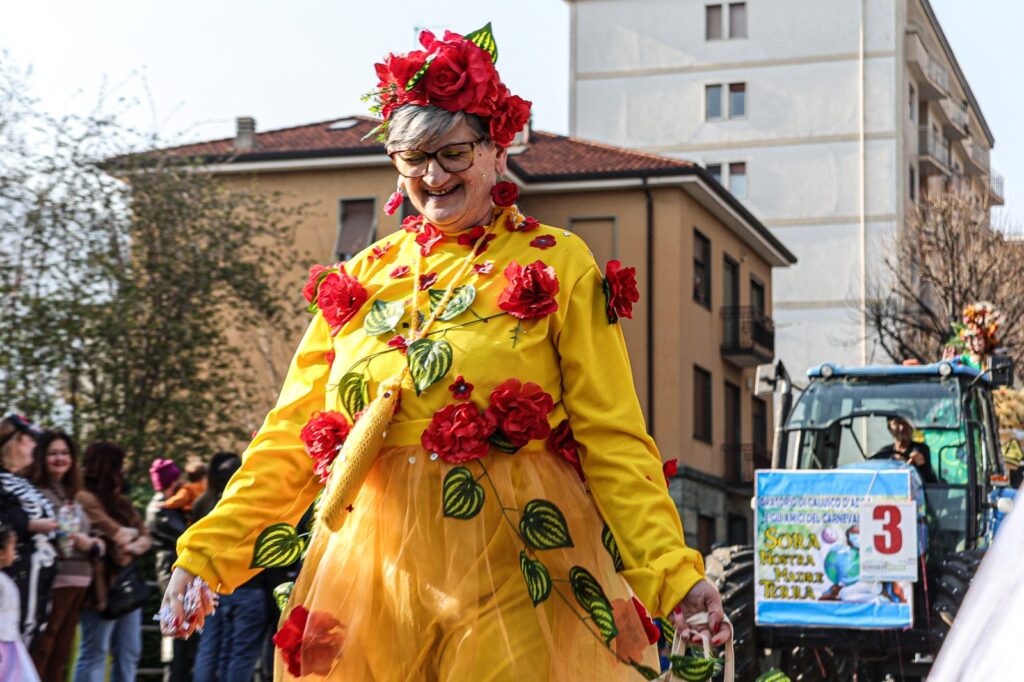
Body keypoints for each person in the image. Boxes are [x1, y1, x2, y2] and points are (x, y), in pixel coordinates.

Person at [162, 25, 729, 680]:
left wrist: (672, 576)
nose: (433, 175)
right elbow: (290, 438)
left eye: (453, 152)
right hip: (374, 577)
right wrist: (202, 557)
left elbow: (613, 438)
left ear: (496, 148)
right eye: (413, 158)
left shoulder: (560, 264)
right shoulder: (360, 279)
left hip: (519, 565)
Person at [28, 431, 105, 682]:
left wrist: (93, 543)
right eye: (53, 453)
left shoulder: (71, 493)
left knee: (63, 652)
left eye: (64, 452)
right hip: (53, 579)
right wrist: (84, 542)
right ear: (41, 457)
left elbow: (87, 534)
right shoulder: (34, 492)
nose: (60, 458)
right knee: (44, 647)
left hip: (80, 580)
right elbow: (59, 533)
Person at [192, 452, 275, 682]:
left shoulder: (203, 504)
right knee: (241, 655)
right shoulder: (248, 505)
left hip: (213, 588)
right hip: (250, 588)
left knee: (210, 650)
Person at [74, 441, 153, 682]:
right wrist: (128, 539)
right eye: (120, 466)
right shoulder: (83, 497)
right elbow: (115, 532)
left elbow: (145, 537)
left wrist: (129, 543)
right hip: (99, 585)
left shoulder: (123, 502)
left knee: (130, 651)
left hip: (126, 584)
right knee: (95, 652)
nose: (123, 472)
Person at [0, 414, 58, 647]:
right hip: (18, 569)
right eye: (29, 440)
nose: (35, 447)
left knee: (33, 632)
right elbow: (7, 521)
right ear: (14, 443)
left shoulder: (23, 482)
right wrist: (32, 526)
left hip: (40, 569)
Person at [146, 457, 194, 682]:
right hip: (169, 571)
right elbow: (184, 537)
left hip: (172, 569)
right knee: (175, 630)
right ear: (172, 482)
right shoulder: (160, 509)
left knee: (182, 635)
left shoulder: (167, 506)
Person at [0, 524, 40, 681]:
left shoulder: (5, 580)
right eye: (12, 549)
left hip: (10, 642)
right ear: (1, 553)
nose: (15, 553)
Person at [872, 414, 937, 483]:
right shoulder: (884, 452)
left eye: (906, 422)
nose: (902, 427)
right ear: (890, 428)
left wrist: (908, 462)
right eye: (897, 423)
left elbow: (918, 458)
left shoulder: (921, 448)